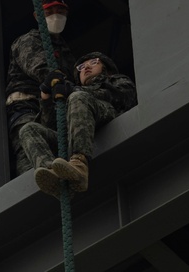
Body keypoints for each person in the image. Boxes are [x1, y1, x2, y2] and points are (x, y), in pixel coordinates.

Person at [34, 51, 137, 196]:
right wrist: (45, 97)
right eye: (81, 67)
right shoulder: (73, 96)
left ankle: (79, 165)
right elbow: (51, 123)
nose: (86, 67)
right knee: (30, 129)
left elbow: (123, 96)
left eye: (93, 62)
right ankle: (55, 176)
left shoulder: (116, 81)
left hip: (105, 115)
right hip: (74, 131)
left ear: (106, 68)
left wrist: (75, 90)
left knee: (78, 97)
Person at [5, 0, 78, 177]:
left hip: (53, 107)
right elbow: (42, 70)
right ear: (38, 16)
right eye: (49, 12)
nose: (56, 16)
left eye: (60, 12)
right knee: (28, 154)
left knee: (57, 145)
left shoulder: (64, 50)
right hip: (27, 108)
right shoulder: (28, 41)